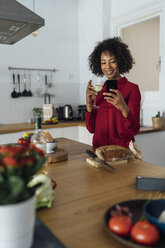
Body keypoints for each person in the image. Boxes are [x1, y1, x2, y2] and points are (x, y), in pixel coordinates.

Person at [85, 37, 141, 149]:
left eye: (112, 61)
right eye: (103, 63)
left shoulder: (132, 89)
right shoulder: (98, 90)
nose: (108, 67)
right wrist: (89, 105)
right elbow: (91, 129)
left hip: (122, 151)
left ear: (120, 61)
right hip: (99, 150)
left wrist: (123, 108)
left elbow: (134, 130)